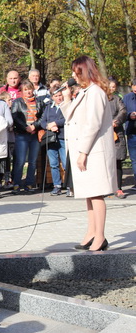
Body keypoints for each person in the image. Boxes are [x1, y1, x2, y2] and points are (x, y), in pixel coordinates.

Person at [61, 56, 117, 252]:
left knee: (96, 194)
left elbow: (92, 124)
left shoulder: (95, 93)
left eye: (76, 72)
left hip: (93, 151)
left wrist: (83, 152)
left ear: (84, 71)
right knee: (88, 193)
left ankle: (100, 236)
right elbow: (73, 119)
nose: (73, 76)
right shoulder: (85, 92)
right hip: (85, 149)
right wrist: (66, 99)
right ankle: (91, 232)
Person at [11, 79, 45, 193]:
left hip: (34, 135)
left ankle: (29, 183)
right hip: (22, 134)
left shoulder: (39, 102)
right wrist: (25, 127)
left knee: (33, 161)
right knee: (20, 161)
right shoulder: (17, 102)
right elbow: (15, 117)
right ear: (21, 91)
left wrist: (34, 126)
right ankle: (16, 183)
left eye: (29, 89)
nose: (28, 92)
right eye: (25, 90)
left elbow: (43, 117)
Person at [40, 88, 68, 196]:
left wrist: (55, 123)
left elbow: (66, 119)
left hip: (62, 137)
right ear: (52, 97)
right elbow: (43, 122)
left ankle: (69, 185)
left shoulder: (66, 106)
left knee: (66, 163)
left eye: (60, 95)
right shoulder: (48, 108)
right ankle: (57, 185)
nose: (59, 98)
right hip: (51, 138)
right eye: (56, 96)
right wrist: (49, 126)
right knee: (53, 164)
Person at [109, 88, 128, 199]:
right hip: (102, 133)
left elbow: (123, 111)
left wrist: (116, 121)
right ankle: (105, 188)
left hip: (116, 134)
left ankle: (118, 188)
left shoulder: (116, 99)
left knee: (117, 161)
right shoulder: (98, 100)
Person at [123, 80, 136, 191]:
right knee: (134, 159)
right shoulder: (127, 97)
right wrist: (129, 115)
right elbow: (122, 112)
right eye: (134, 87)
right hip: (132, 132)